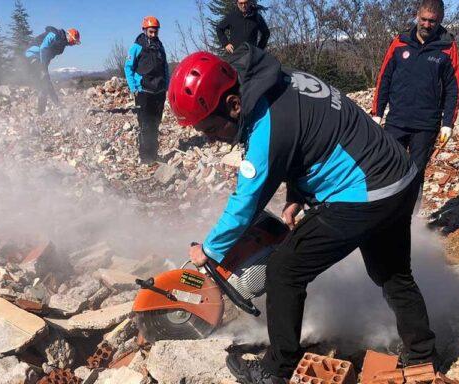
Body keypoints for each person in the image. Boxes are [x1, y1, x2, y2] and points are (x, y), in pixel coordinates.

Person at [168, 45, 437, 384]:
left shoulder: (267, 127)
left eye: (210, 129)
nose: (210, 139)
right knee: (393, 273)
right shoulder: (279, 80)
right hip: (400, 176)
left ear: (233, 105)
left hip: (367, 193)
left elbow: (245, 202)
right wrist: (298, 195)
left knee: (284, 269)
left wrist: (207, 250)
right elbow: (312, 136)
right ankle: (423, 355)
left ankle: (275, 371)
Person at [372, 0, 459, 186]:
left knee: (415, 173)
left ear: (440, 20)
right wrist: (377, 113)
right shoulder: (400, 42)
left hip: (426, 124)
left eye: (432, 21)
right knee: (388, 167)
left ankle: (412, 214)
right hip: (397, 120)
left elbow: (454, 88)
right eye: (423, 19)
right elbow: (384, 78)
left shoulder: (447, 47)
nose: (427, 25)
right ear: (417, 16)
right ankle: (387, 213)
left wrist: (448, 123)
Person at [125, 16, 169, 163]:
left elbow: (165, 67)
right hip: (143, 91)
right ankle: (145, 157)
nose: (154, 35)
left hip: (159, 91)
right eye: (151, 32)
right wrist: (133, 87)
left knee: (156, 123)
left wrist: (166, 85)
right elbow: (128, 67)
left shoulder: (160, 46)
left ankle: (154, 155)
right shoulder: (136, 46)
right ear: (144, 30)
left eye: (156, 32)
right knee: (145, 125)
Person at [25, 26, 80, 114]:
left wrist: (45, 67)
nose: (73, 44)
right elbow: (43, 48)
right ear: (69, 36)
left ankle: (58, 105)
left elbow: (49, 56)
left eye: (75, 42)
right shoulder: (54, 34)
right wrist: (43, 68)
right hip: (32, 55)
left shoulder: (61, 45)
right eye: (74, 41)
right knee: (44, 85)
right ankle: (40, 114)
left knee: (47, 83)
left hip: (41, 60)